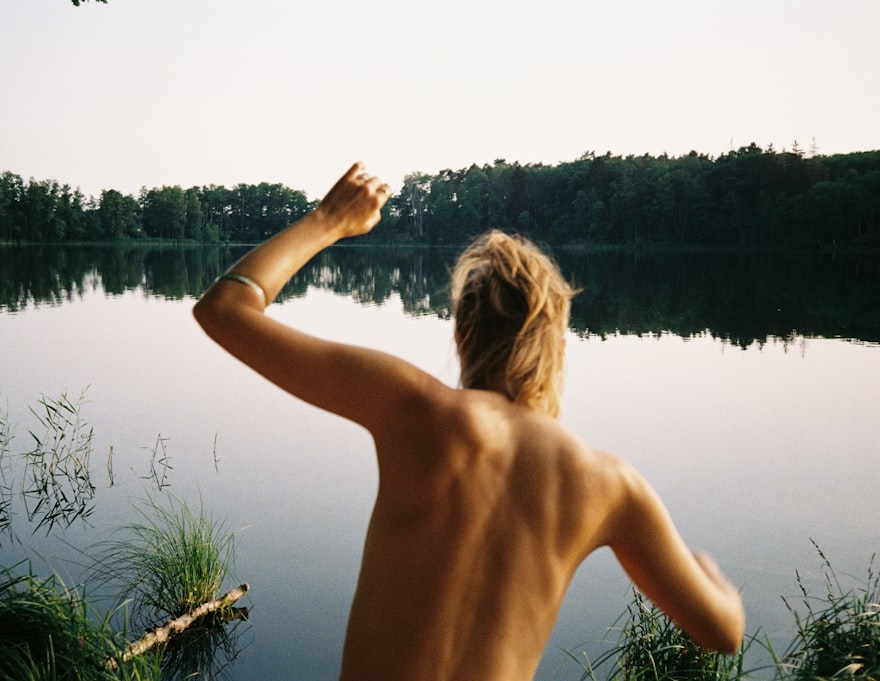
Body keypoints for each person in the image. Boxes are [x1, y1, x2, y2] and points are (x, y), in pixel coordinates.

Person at [193, 162, 745, 681]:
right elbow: (723, 631)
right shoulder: (611, 486)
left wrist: (328, 222)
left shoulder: (417, 409)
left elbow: (225, 309)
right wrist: (709, 572)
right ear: (555, 345)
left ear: (462, 334)